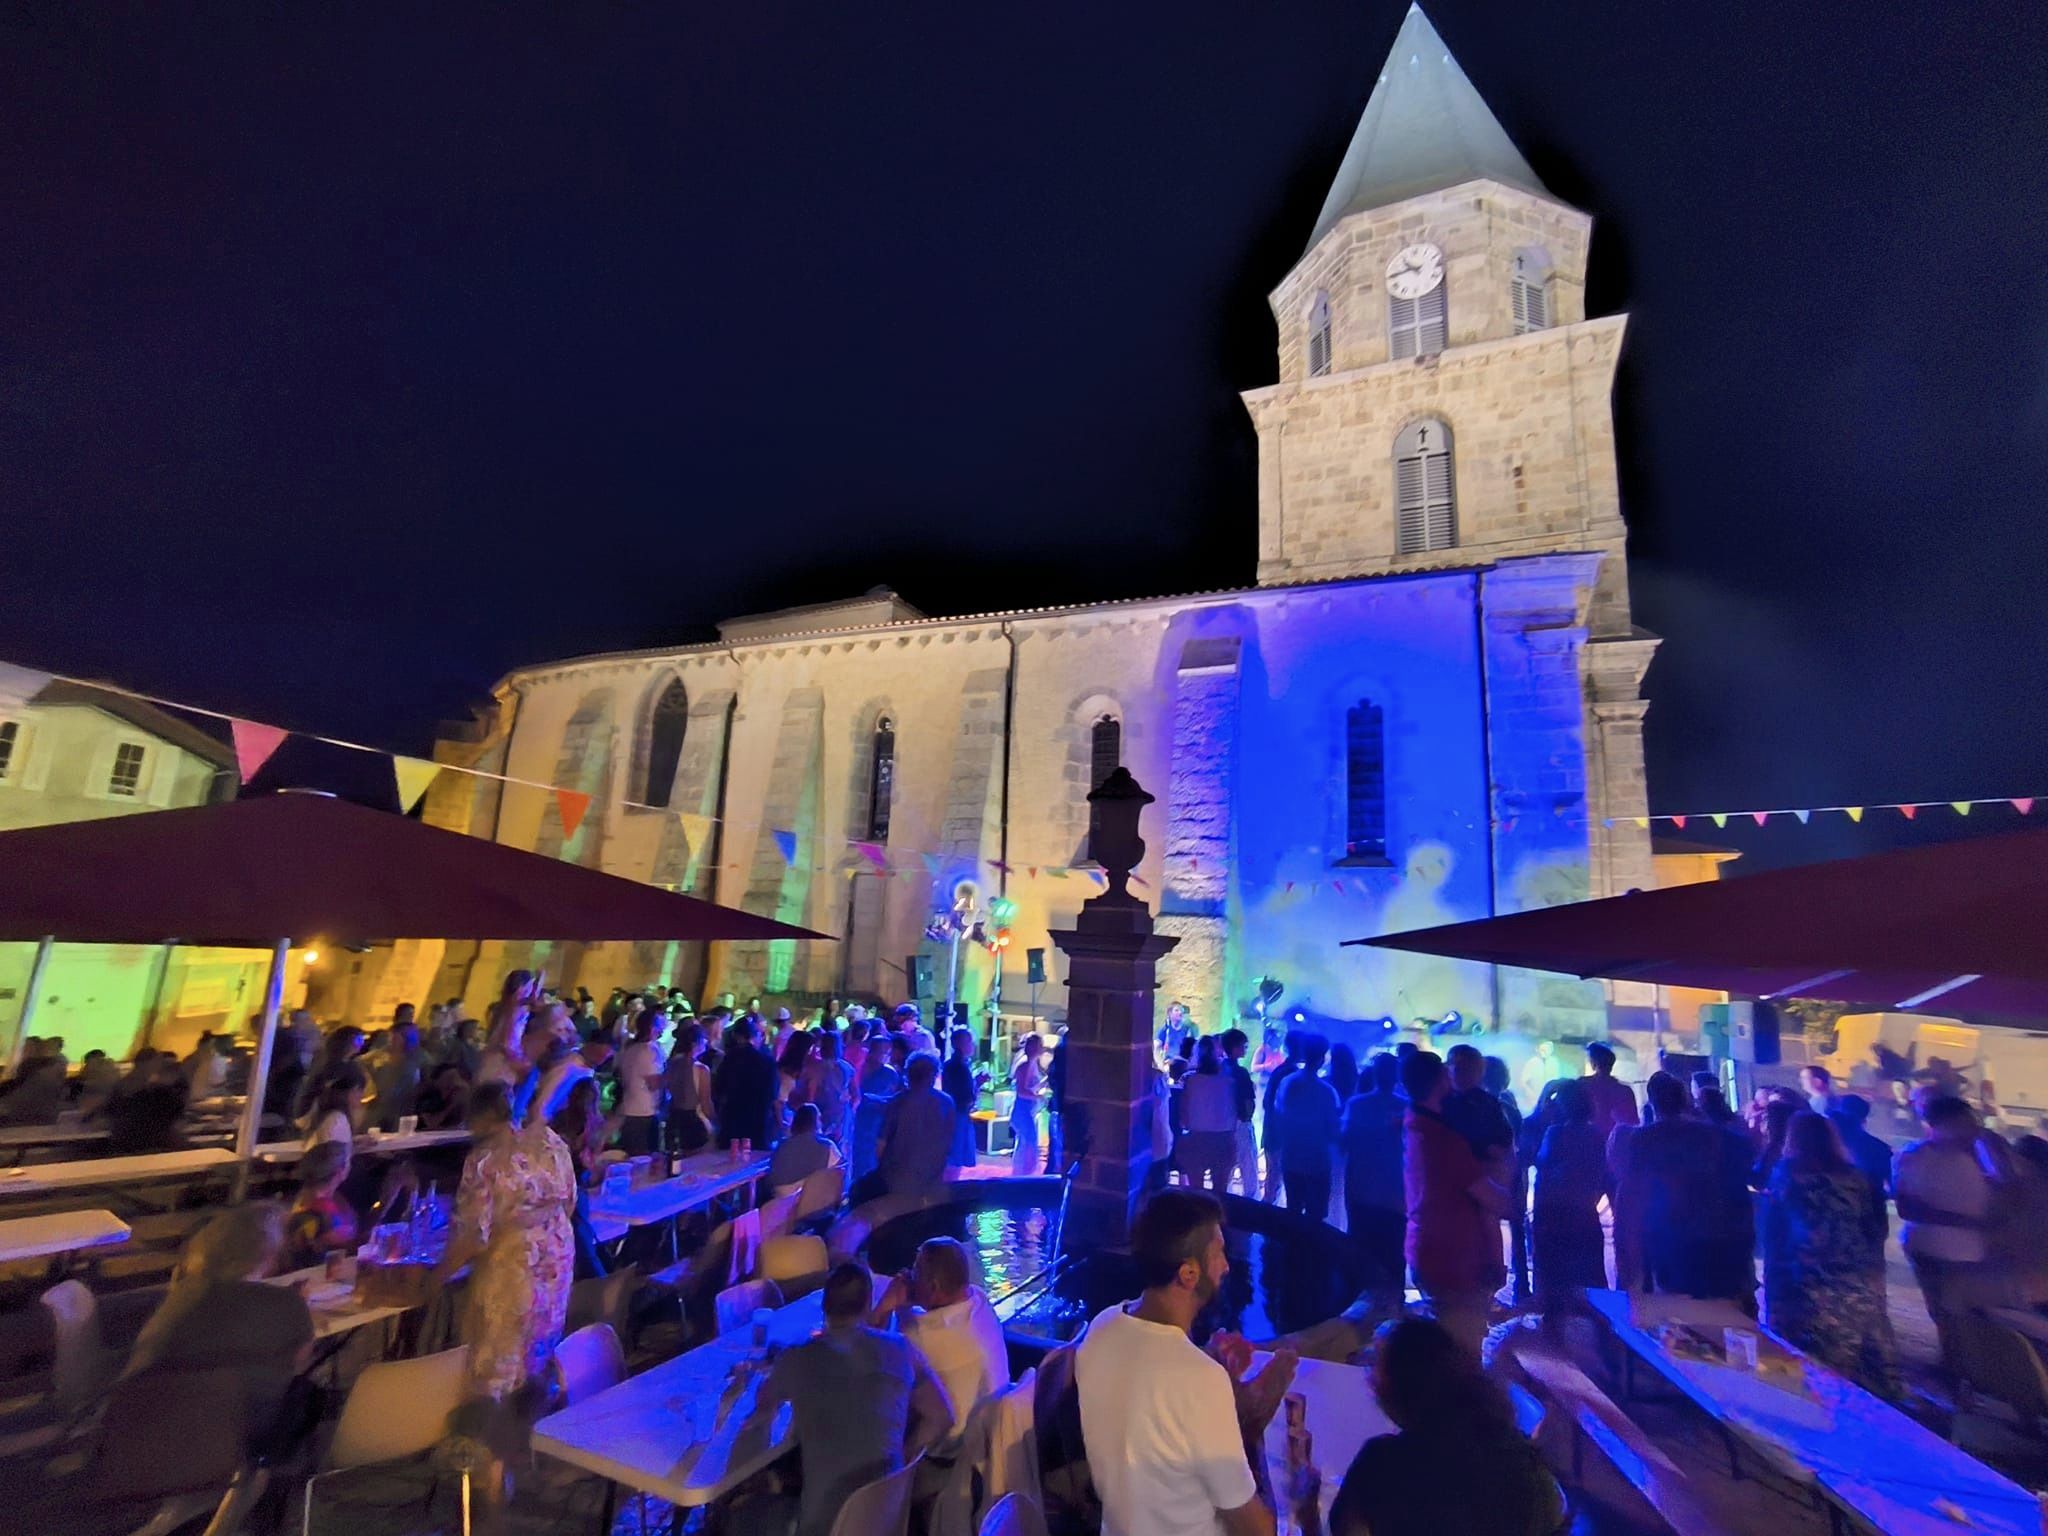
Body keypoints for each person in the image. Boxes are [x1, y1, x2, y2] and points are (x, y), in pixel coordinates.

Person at [1074, 1189, 1295, 1536]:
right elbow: (1256, 1529)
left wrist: (1209, 1360)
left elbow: (1153, 1404)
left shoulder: (1101, 1328)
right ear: (1189, 1273)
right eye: (1218, 1253)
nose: (1226, 1266)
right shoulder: (1199, 1379)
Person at [430, 1081, 576, 1530]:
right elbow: (570, 1201)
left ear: (478, 1117)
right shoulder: (550, 1142)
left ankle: (490, 1480)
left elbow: (473, 1235)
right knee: (533, 1364)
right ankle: (520, 1457)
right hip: (553, 1261)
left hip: (511, 1271)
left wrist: (433, 1278)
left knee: (494, 1371)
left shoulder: (486, 1160)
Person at [1293, 1316, 1564, 1536]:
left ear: (1402, 1385)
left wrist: (1308, 1515)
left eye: (1374, 1367)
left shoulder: (1382, 1466)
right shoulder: (1524, 1463)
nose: (1369, 1382)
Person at [756, 1262, 954, 1536]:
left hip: (822, 1528)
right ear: (867, 1304)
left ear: (824, 1306)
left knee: (742, 1511)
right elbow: (942, 1416)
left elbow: (763, 1405)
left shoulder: (797, 1357)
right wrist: (904, 1459)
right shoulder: (903, 1350)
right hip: (887, 1520)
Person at [125, 1203, 315, 1448]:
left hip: (144, 1430)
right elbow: (299, 1363)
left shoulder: (184, 1294)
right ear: (270, 1253)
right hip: (239, 1433)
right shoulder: (287, 1304)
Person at [1761, 1111, 1900, 1397]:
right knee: (1867, 1370)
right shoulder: (1858, 1178)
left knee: (1817, 1371)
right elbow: (1876, 1229)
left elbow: (1775, 1235)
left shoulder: (1787, 1176)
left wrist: (1774, 1289)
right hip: (1858, 1281)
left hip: (1808, 1283)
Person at [1401, 1050, 1504, 1353]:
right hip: (1454, 1260)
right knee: (1462, 1354)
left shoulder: (1412, 1122)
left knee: (1440, 1350)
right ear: (1441, 1080)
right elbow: (1493, 1199)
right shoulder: (1444, 1139)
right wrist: (1505, 1181)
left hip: (1426, 1247)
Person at [1619, 1072, 1753, 1303]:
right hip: (1713, 1226)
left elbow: (1633, 1188)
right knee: (1716, 1302)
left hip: (1669, 1230)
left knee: (1677, 1302)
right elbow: (1744, 1158)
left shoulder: (1643, 1138)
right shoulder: (1712, 1133)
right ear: (1684, 1099)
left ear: (1652, 1101)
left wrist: (1631, 1244)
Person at [869, 1236, 1010, 1444]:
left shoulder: (920, 1337)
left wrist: (885, 1307)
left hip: (948, 1450)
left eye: (915, 1272)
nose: (909, 1277)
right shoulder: (979, 1300)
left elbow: (866, 1356)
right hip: (990, 1434)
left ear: (934, 1287)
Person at [1894, 1094, 1997, 1378]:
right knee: (1952, 1312)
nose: (1973, 1126)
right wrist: (1971, 1222)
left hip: (1951, 1248)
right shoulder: (1914, 1156)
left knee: (1952, 1312)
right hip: (1947, 1250)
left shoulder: (1982, 1154)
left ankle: (1961, 1367)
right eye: (1967, 1121)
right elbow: (1906, 1208)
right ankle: (1961, 1370)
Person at [1340, 1052, 1408, 1303]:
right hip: (1395, 1194)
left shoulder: (1357, 1105)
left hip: (1361, 1189)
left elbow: (1344, 1142)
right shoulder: (1407, 1107)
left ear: (1374, 1075)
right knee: (1394, 1254)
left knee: (1360, 1250)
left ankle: (1356, 1307)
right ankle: (1395, 1308)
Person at [1530, 1079, 1607, 1298]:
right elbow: (1600, 1171)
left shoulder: (1555, 1133)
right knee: (1589, 1279)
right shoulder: (1596, 1134)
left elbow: (1541, 1161)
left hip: (1556, 1212)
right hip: (1585, 1210)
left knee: (1556, 1279)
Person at [1271, 1036, 1341, 1218]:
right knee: (1315, 1216)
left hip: (1291, 1156)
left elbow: (1279, 1117)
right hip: (1317, 1160)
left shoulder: (1287, 1083)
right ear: (1322, 1058)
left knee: (1293, 1210)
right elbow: (1333, 1130)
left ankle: (1290, 1237)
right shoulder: (1327, 1092)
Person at [876, 1052, 957, 1198]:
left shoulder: (897, 1102)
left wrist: (881, 1171)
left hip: (898, 1176)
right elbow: (950, 1141)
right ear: (933, 1075)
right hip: (932, 1176)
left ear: (908, 1074)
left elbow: (881, 1143)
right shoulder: (946, 1102)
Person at [283, 1138, 359, 1271]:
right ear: (340, 1171)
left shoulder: (301, 1197)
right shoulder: (324, 1209)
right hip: (317, 1275)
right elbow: (347, 1250)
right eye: (348, 1161)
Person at [1177, 1037, 1240, 1194]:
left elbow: (1183, 1119)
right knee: (1220, 1193)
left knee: (1195, 1193)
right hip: (1223, 1139)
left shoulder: (1190, 1081)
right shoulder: (1230, 1081)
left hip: (1196, 1138)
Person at [712, 1012, 781, 1150]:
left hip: (732, 1120)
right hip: (758, 1122)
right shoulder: (766, 1061)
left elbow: (718, 1088)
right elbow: (772, 1094)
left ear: (736, 1036)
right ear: (756, 1036)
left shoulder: (729, 1059)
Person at [850, 1039, 903, 1187]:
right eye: (882, 1051)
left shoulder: (889, 1073)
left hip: (878, 1122)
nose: (885, 1055)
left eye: (887, 1052)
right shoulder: (859, 1067)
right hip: (859, 1120)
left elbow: (894, 1097)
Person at [1260, 1032, 1307, 1201]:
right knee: (1276, 1183)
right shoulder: (1292, 1074)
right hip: (1283, 1136)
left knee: (1273, 1182)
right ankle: (1266, 1214)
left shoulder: (1280, 1071)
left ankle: (1266, 1213)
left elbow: (1267, 1102)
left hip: (1273, 1132)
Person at [615, 1011, 667, 1156]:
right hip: (644, 1113)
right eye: (661, 1024)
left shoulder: (630, 1048)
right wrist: (672, 1075)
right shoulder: (649, 1050)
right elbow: (654, 1083)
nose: (664, 1027)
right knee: (645, 1159)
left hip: (629, 1110)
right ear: (652, 1027)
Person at [304, 1063, 366, 1180]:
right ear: (353, 1090)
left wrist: (354, 1145)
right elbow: (335, 1165)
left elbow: (331, 1156)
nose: (362, 1095)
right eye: (360, 1090)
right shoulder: (339, 1120)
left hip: (320, 1180)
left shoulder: (326, 1115)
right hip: (328, 1182)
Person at [663, 1021, 714, 1154]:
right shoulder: (701, 1069)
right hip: (694, 1120)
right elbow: (705, 1101)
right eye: (704, 1039)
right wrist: (712, 1120)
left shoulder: (672, 1063)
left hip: (674, 1117)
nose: (706, 1042)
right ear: (695, 1044)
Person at [1220, 1028, 1259, 1198]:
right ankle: (1251, 1203)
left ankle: (1223, 1200)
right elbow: (1248, 1100)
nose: (1246, 1049)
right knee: (1248, 1166)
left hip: (1222, 1124)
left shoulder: (1219, 1068)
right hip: (1241, 1122)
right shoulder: (1241, 1072)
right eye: (1244, 1046)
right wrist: (1248, 1118)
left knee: (1225, 1167)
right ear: (1235, 1047)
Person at [770, 1102, 836, 1189]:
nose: (821, 1123)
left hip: (781, 1196)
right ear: (815, 1122)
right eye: (819, 1119)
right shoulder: (827, 1146)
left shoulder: (780, 1146)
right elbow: (840, 1172)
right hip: (812, 1195)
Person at [1581, 1042, 1639, 1141]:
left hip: (1588, 1141)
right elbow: (1633, 1123)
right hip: (1618, 1142)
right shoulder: (1625, 1091)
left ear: (1593, 1062)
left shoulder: (1584, 1085)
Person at [941, 1028, 981, 1169]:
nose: (972, 1045)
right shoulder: (959, 1066)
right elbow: (966, 1095)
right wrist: (978, 1084)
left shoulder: (953, 1064)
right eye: (969, 1042)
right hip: (958, 1114)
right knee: (956, 1157)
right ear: (960, 1044)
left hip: (955, 1113)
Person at [1010, 1033, 1047, 1176]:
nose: (1042, 1048)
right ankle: (1022, 1174)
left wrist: (1043, 1083)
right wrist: (1038, 1096)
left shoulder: (1032, 1064)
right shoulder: (1025, 1065)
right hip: (1023, 1111)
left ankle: (1022, 1173)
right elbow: (1021, 1091)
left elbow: (1031, 1086)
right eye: (1040, 1045)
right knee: (1028, 1144)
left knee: (1026, 1144)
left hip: (1029, 1111)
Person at [417, 1061, 472, 1131]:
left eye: (449, 1087)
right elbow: (431, 1123)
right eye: (440, 1090)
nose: (444, 1096)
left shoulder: (466, 1097)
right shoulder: (429, 1098)